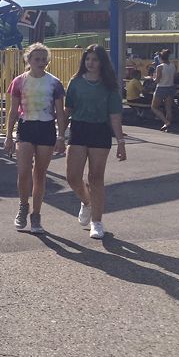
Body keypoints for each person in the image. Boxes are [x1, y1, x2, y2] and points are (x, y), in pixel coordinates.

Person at [64, 44, 127, 240]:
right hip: (79, 129)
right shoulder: (75, 83)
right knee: (72, 177)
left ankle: (97, 222)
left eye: (95, 59)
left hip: (100, 131)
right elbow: (68, 110)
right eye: (88, 59)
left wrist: (121, 141)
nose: (90, 63)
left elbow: (115, 115)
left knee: (96, 178)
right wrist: (59, 134)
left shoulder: (109, 86)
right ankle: (87, 202)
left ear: (102, 62)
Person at [4, 43, 67, 234]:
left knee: (40, 174)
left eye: (43, 59)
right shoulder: (19, 81)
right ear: (28, 60)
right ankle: (24, 206)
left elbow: (60, 112)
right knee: (23, 171)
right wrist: (8, 135)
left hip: (46, 128)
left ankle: (36, 214)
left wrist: (61, 136)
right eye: (36, 59)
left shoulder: (54, 83)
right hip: (26, 126)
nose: (41, 62)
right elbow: (13, 111)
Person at [150, 48, 177, 131]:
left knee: (154, 107)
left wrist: (152, 80)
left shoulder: (160, 67)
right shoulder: (173, 65)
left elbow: (157, 80)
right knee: (168, 108)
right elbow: (175, 76)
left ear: (160, 58)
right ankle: (168, 126)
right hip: (170, 87)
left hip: (161, 87)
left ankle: (166, 122)